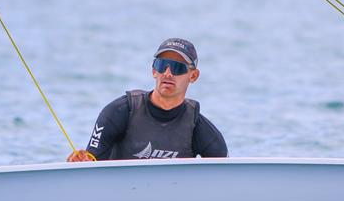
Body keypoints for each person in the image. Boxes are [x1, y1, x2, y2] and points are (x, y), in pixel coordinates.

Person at [67, 38, 227, 161]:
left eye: (177, 67)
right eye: (162, 65)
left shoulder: (200, 129)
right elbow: (90, 164)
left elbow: (225, 177)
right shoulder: (118, 112)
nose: (168, 73)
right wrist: (80, 160)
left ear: (193, 76)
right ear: (153, 71)